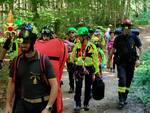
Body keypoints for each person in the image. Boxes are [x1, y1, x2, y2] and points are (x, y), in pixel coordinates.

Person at [5, 25, 58, 113]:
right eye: (21, 42)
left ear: (33, 42)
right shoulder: (17, 61)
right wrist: (8, 104)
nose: (23, 45)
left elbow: (54, 85)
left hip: (42, 105)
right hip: (22, 104)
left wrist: (48, 107)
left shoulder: (43, 60)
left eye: (26, 42)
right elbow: (12, 83)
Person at [107, 18, 142, 109]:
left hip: (131, 63)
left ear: (130, 28)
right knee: (122, 79)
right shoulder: (118, 38)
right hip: (121, 63)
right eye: (125, 27)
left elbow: (140, 48)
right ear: (122, 28)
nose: (126, 29)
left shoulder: (134, 37)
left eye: (128, 27)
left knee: (128, 81)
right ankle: (121, 99)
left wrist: (138, 59)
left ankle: (125, 96)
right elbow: (113, 50)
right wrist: (108, 61)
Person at [34, 26, 68, 113]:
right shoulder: (60, 44)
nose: (45, 38)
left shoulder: (35, 44)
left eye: (47, 35)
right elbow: (63, 60)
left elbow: (63, 60)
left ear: (51, 35)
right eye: (44, 35)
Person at [72, 27, 99, 112]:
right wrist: (77, 61)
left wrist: (96, 72)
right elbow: (73, 57)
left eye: (80, 36)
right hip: (79, 68)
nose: (78, 38)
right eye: (78, 36)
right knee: (78, 86)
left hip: (89, 68)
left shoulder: (92, 46)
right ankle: (77, 104)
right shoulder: (77, 46)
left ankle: (86, 103)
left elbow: (95, 60)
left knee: (88, 87)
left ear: (85, 36)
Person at [65, 27, 77, 93]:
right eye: (70, 32)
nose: (71, 34)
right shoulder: (66, 41)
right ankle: (71, 87)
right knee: (70, 74)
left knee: (77, 73)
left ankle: (78, 87)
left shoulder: (78, 40)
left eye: (73, 32)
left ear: (75, 33)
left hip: (77, 60)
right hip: (69, 60)